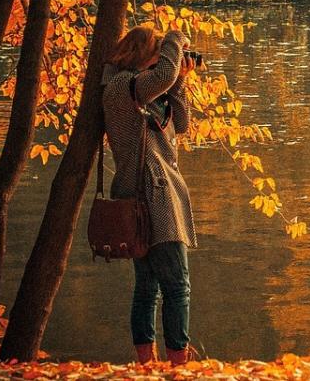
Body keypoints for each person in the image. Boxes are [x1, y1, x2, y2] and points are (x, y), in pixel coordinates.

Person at [101, 25, 198, 365]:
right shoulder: (122, 86)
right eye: (158, 51)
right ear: (144, 53)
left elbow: (182, 124)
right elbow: (163, 75)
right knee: (177, 286)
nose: (163, 59)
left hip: (156, 192)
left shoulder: (145, 92)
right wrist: (175, 38)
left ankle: (149, 364)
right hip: (149, 194)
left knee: (149, 286)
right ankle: (178, 363)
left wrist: (180, 81)